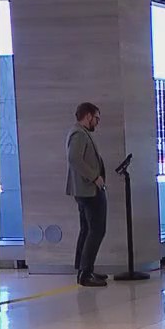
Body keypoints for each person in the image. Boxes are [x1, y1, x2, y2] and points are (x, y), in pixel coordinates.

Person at [66, 102, 108, 287]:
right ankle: (85, 272)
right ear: (88, 116)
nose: (97, 122)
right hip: (89, 191)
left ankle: (84, 269)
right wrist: (94, 177)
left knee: (87, 229)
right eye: (96, 118)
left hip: (86, 190)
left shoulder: (81, 133)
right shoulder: (79, 134)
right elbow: (74, 158)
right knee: (97, 230)